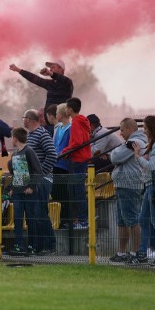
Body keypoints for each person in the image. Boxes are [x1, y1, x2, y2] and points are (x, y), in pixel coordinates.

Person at [130, 115, 155, 265]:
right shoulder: (154, 144)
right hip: (150, 185)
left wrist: (137, 157)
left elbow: (152, 165)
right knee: (144, 220)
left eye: (146, 128)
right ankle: (142, 253)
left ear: (152, 128)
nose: (144, 131)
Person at [108, 118, 147, 262]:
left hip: (129, 186)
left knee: (131, 219)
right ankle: (122, 253)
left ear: (130, 129)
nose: (120, 133)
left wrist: (115, 153)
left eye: (122, 130)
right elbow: (116, 155)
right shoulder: (130, 143)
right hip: (123, 184)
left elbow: (115, 157)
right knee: (122, 221)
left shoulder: (134, 143)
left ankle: (136, 253)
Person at [23, 109, 57, 254]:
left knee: (40, 212)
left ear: (29, 119)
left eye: (24, 117)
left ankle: (49, 245)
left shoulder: (42, 133)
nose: (23, 120)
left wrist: (40, 173)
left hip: (41, 180)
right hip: (32, 181)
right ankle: (36, 245)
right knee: (33, 214)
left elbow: (52, 154)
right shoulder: (30, 135)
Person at [9, 59, 74, 134]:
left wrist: (51, 74)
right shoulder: (51, 84)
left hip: (61, 122)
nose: (50, 69)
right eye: (50, 68)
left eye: (53, 67)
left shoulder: (67, 83)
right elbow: (35, 79)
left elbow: (62, 79)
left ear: (61, 69)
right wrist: (18, 70)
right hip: (50, 124)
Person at [6, 128, 43, 256]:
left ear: (15, 138)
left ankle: (33, 245)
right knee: (17, 218)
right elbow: (16, 174)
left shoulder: (29, 151)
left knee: (31, 218)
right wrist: (11, 188)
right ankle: (18, 245)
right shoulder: (14, 154)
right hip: (17, 192)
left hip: (29, 192)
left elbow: (38, 171)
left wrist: (32, 186)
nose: (12, 140)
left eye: (12, 137)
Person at [59, 98, 92, 230]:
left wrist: (65, 151)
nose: (65, 110)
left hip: (78, 159)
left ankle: (83, 220)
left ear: (70, 109)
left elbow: (77, 142)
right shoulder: (82, 121)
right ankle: (82, 218)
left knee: (77, 191)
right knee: (77, 190)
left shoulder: (76, 122)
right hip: (82, 158)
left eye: (66, 108)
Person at [52, 103, 72, 228]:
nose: (55, 116)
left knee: (63, 192)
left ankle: (65, 219)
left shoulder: (70, 128)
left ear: (61, 114)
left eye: (56, 113)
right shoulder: (58, 128)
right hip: (55, 163)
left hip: (64, 164)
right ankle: (59, 219)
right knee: (56, 192)